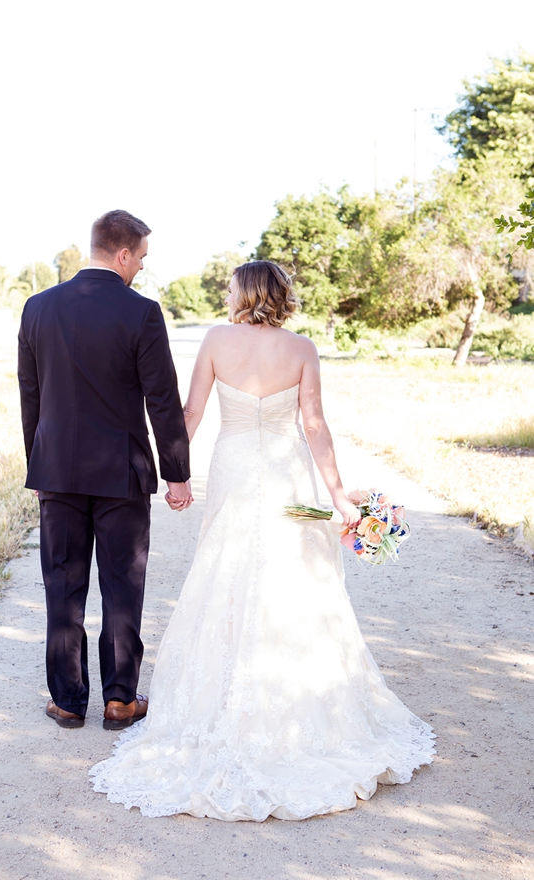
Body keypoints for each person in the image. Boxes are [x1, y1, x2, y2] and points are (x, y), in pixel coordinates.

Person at [90, 260, 435, 821]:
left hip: (233, 463)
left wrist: (172, 472)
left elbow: (192, 412)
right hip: (284, 467)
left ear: (242, 293)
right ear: (281, 294)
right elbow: (315, 425)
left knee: (228, 567)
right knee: (292, 575)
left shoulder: (217, 340)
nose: (226, 294)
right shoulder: (301, 348)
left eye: (229, 287)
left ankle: (220, 700)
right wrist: (340, 496)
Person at [18, 209, 192, 732]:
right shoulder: (142, 313)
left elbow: (31, 395)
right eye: (140, 257)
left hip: (58, 472)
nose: (141, 267)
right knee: (122, 587)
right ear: (122, 254)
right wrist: (177, 473)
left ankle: (69, 702)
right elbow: (162, 400)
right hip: (122, 474)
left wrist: (38, 464)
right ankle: (119, 701)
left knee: (62, 590)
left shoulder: (37, 308)